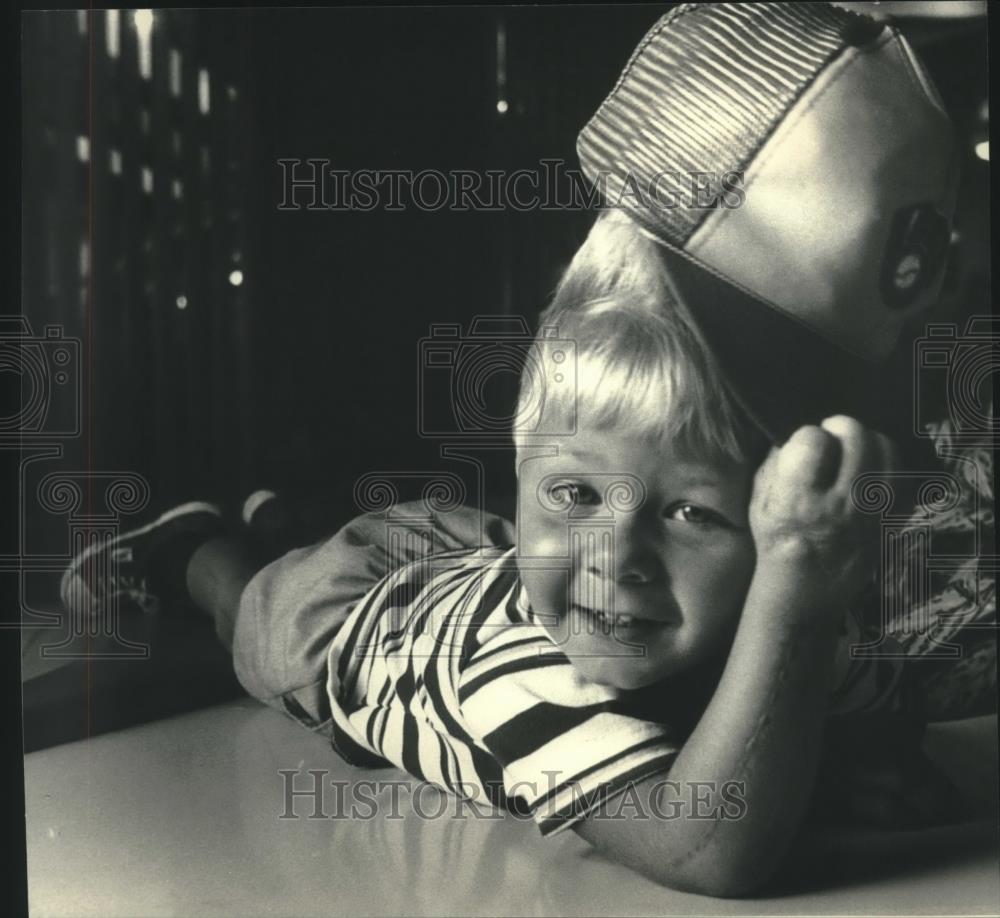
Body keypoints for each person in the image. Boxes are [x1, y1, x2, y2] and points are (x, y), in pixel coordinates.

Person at [60, 1, 985, 898]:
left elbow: (874, 701)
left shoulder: (757, 609)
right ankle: (195, 542)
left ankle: (300, 515)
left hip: (488, 548)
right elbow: (705, 846)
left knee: (458, 538)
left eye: (693, 512)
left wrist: (851, 749)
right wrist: (794, 583)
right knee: (255, 609)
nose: (616, 562)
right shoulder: (521, 672)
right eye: (577, 495)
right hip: (361, 619)